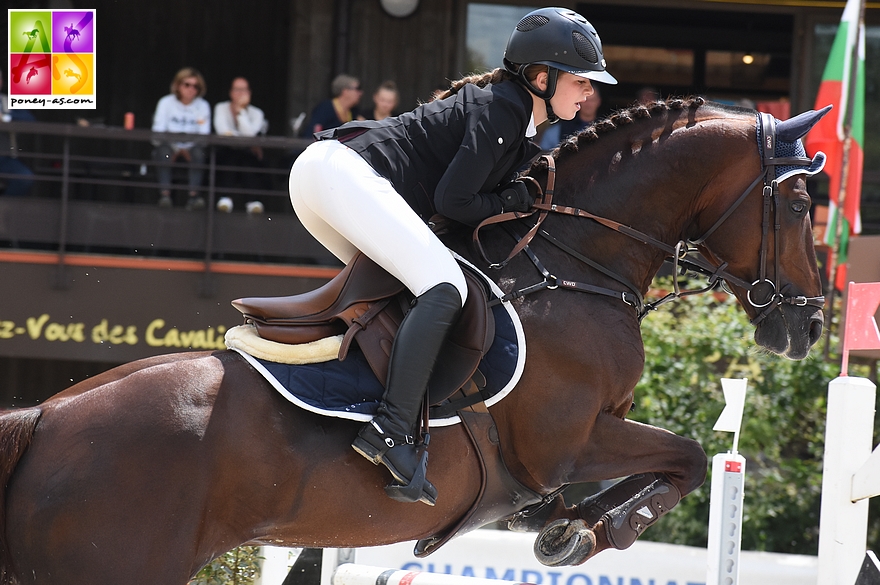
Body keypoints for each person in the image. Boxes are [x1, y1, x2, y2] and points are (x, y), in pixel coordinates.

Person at [288, 7, 616, 505]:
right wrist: (511, 200)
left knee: (408, 292)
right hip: (341, 175)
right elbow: (454, 203)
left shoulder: (520, 120)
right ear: (542, 78)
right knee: (445, 289)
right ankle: (393, 431)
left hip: (323, 179)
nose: (589, 92)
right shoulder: (505, 108)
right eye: (580, 80)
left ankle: (362, 407)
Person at [151, 67, 211, 210]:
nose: (191, 89)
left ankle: (193, 197)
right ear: (178, 85)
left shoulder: (203, 106)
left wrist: (185, 148)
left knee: (199, 153)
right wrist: (177, 148)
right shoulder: (165, 102)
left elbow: (204, 134)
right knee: (163, 152)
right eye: (187, 85)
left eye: (195, 86)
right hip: (169, 148)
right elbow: (158, 132)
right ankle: (165, 195)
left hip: (192, 149)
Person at [213, 77, 269, 214]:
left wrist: (240, 111)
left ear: (249, 93)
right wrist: (243, 138)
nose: (240, 94)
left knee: (247, 157)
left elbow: (250, 135)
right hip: (227, 151)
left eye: (243, 90)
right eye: (237, 90)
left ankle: (253, 201)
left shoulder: (257, 113)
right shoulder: (221, 108)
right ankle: (225, 198)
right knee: (232, 156)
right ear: (231, 92)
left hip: (247, 153)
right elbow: (222, 132)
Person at [0, 69, 35, 197]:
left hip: (4, 158)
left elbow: (30, 120)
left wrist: (5, 117)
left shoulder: (6, 102)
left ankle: (3, 207)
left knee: (24, 178)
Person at [539, 84, 601, 151]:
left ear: (598, 101)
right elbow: (544, 153)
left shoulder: (603, 129)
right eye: (586, 100)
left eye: (592, 100)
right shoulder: (556, 130)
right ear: (579, 102)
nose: (588, 104)